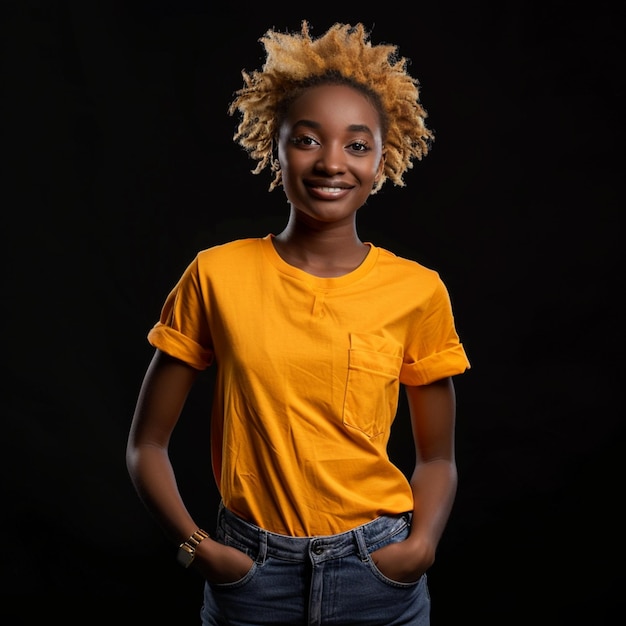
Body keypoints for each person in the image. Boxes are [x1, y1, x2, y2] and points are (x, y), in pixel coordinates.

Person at [126, 20, 470, 626]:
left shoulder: (418, 291)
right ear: (275, 147)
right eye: (307, 139)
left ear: (383, 159)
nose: (331, 162)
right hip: (251, 578)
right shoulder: (216, 276)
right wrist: (198, 550)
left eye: (356, 145)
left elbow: (437, 457)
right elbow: (145, 445)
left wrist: (421, 547)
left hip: (378, 578)